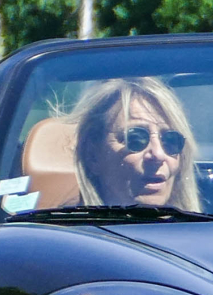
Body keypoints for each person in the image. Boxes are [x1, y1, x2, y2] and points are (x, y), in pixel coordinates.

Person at [71, 77, 204, 211]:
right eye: (135, 139)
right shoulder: (63, 231)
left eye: (171, 141)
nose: (158, 154)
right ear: (92, 156)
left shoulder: (208, 229)